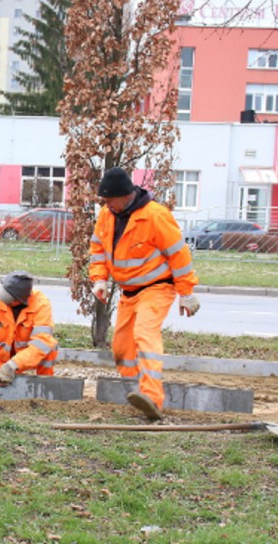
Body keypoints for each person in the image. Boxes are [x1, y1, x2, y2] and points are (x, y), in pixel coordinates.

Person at [89, 167, 201, 420]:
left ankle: (152, 397)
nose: (105, 205)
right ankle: (139, 395)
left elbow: (179, 254)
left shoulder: (155, 216)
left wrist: (186, 292)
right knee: (121, 348)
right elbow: (97, 247)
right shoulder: (107, 214)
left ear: (125, 195)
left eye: (108, 200)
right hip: (128, 292)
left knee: (144, 334)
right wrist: (99, 280)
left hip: (157, 287)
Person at [0, 271, 58, 387]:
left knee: (50, 348)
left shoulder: (41, 304)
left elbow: (42, 342)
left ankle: (46, 386)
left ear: (19, 300)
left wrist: (13, 365)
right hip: (2, 358)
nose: (2, 299)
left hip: (29, 356)